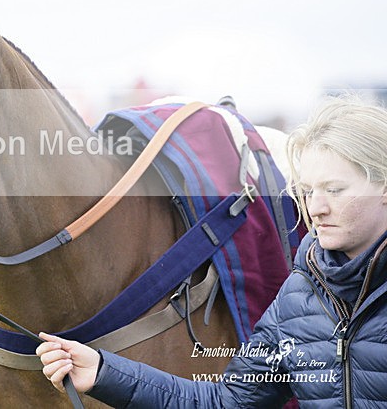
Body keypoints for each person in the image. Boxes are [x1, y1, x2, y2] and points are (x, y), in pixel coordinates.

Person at [37, 95, 387, 407]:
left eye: (335, 190)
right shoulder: (298, 297)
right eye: (308, 191)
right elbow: (228, 401)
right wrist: (102, 371)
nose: (316, 208)